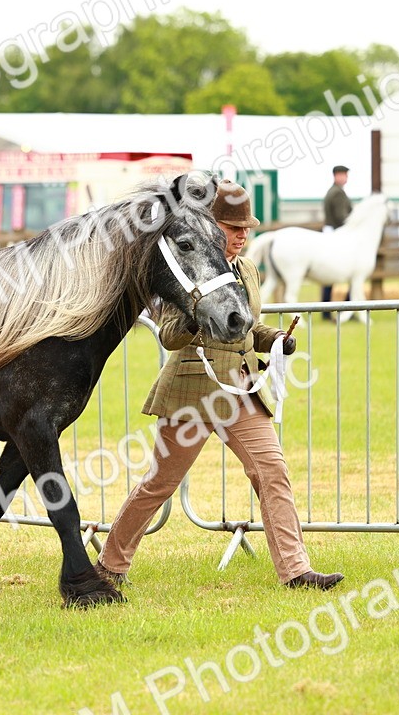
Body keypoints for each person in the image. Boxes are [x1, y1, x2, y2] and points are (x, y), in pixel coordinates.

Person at [96, 180, 344, 591]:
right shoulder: (185, 266)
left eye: (247, 228)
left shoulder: (247, 269)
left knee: (272, 471)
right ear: (211, 227)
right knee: (159, 483)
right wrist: (199, 313)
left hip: (242, 390)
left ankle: (296, 571)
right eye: (234, 228)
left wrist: (275, 340)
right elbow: (170, 335)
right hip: (193, 394)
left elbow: (246, 328)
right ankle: (109, 564)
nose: (243, 235)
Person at [321, 165, 352, 319]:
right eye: (342, 175)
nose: (344, 178)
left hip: (330, 231)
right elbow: (342, 217)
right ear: (336, 176)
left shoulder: (334, 191)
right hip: (335, 233)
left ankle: (327, 309)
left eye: (345, 175)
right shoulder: (338, 193)